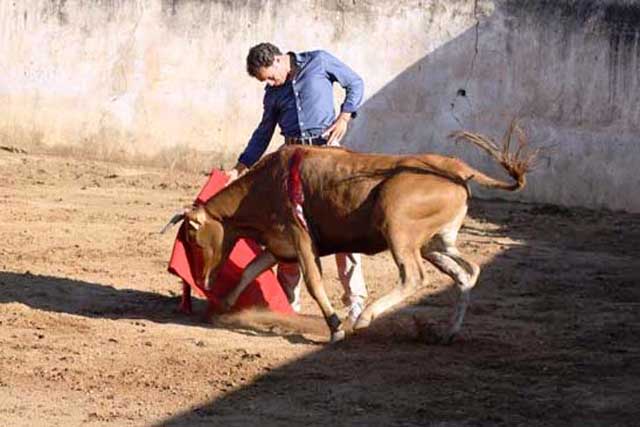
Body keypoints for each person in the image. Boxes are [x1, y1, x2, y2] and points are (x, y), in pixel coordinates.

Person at [226, 42, 368, 323]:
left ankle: (356, 303)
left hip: (327, 155)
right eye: (264, 80)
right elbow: (264, 132)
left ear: (278, 60)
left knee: (343, 227)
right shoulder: (273, 94)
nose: (269, 83)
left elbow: (355, 83)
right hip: (291, 161)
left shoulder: (319, 61)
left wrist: (345, 115)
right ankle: (288, 306)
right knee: (287, 231)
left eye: (269, 76)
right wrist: (240, 167)